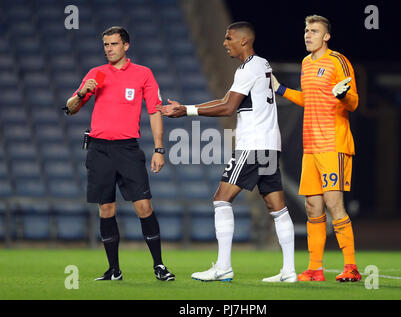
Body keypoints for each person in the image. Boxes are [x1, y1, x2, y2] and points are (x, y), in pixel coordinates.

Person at [159, 21, 296, 283]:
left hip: (252, 144)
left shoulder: (248, 69)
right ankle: (289, 271)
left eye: (229, 38)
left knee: (221, 199)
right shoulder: (262, 64)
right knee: (276, 207)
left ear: (244, 40)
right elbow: (225, 101)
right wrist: (187, 108)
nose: (225, 43)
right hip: (269, 144)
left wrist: (186, 110)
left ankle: (223, 267)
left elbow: (227, 107)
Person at [65, 26, 175, 281]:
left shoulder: (143, 74)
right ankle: (114, 270)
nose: (109, 49)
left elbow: (155, 111)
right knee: (106, 209)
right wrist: (82, 92)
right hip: (99, 149)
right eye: (106, 44)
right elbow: (70, 108)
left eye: (114, 44)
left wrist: (159, 149)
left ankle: (159, 265)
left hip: (127, 148)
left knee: (144, 206)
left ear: (126, 46)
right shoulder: (96, 74)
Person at [272, 15, 361, 282]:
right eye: (306, 30)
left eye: (314, 31)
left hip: (333, 144)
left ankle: (352, 267)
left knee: (334, 204)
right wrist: (280, 89)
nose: (308, 35)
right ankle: (315, 269)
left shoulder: (338, 61)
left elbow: (354, 102)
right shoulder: (305, 63)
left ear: (326, 36)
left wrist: (342, 94)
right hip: (310, 148)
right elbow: (308, 99)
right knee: (313, 207)